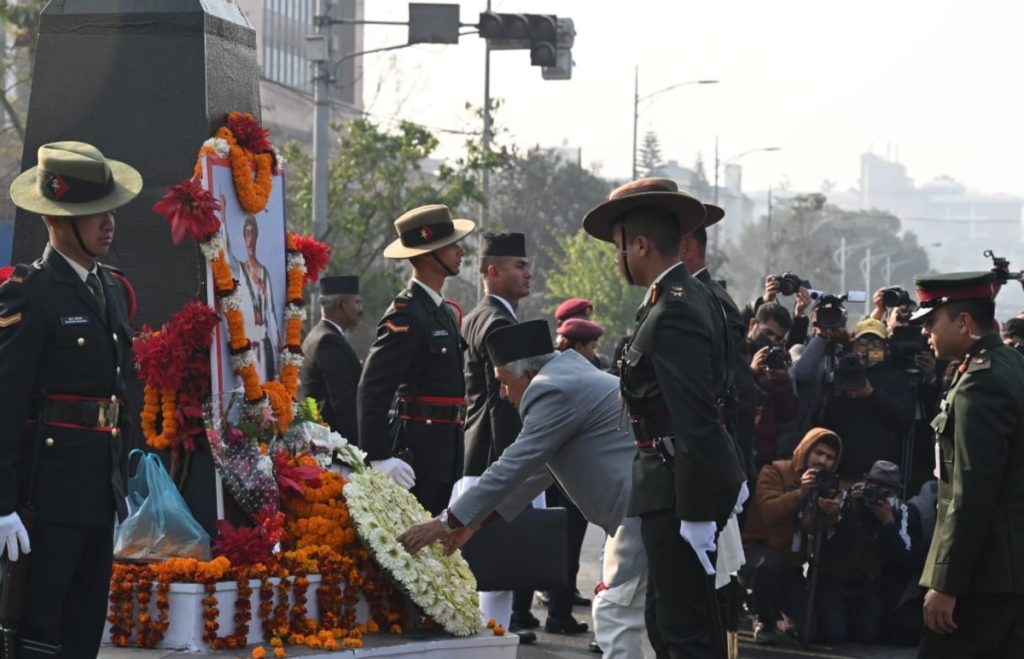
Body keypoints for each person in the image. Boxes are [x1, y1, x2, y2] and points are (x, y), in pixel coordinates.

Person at [398, 319, 648, 658]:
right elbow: (535, 472)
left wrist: (446, 521)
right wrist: (474, 523)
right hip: (641, 509)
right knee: (646, 617)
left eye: (503, 382)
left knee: (616, 612)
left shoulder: (551, 388)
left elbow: (514, 465)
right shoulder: (566, 376)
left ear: (528, 376)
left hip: (638, 513)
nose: (502, 393)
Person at [582, 177, 747, 658]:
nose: (617, 259)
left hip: (676, 490)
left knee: (684, 632)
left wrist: (695, 513)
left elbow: (694, 417)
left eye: (619, 247)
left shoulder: (673, 309)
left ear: (640, 244)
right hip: (673, 485)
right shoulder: (682, 297)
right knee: (670, 620)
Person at [0, 141, 141, 657]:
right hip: (48, 496)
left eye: (109, 211)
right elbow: (5, 402)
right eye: (94, 213)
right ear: (58, 220)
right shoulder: (30, 293)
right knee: (40, 634)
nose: (108, 223)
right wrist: (2, 504)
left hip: (97, 491)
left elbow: (119, 393)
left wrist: (122, 481)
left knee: (84, 630)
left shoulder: (110, 289)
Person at [913, 272, 1024, 658]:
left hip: (985, 576)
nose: (926, 332)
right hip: (1006, 573)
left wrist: (946, 583)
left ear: (963, 323)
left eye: (931, 321)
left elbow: (971, 493)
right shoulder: (1008, 363)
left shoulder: (981, 384)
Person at [356, 204, 475, 515]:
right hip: (416, 456)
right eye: (451, 245)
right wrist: (379, 455)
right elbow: (373, 388)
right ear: (427, 254)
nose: (460, 251)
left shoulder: (443, 311)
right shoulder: (407, 313)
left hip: (445, 451)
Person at [456, 232, 536, 642]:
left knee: (491, 578)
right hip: (498, 460)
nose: (528, 273)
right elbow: (510, 395)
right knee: (496, 580)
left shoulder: (477, 316)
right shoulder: (497, 321)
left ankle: (487, 646)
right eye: (519, 266)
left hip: (481, 457)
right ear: (493, 271)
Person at [741, 428, 842, 644]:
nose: (822, 461)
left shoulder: (826, 485)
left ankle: (776, 614)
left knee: (807, 631)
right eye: (819, 453)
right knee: (768, 565)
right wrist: (801, 493)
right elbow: (769, 512)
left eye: (829, 457)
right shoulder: (775, 471)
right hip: (760, 550)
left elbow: (808, 527)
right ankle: (763, 619)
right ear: (806, 450)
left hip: (791, 564)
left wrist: (828, 513)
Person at [681, 203, 758, 485]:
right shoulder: (688, 298)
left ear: (686, 249)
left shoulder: (708, 304)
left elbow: (737, 395)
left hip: (709, 477)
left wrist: (735, 468)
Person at [812, 460, 914, 644]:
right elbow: (829, 537)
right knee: (832, 635)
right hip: (833, 580)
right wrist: (851, 507)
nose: (878, 495)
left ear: (896, 493)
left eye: (886, 491)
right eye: (875, 487)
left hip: (866, 585)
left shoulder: (899, 510)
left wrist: (888, 522)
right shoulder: (847, 499)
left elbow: (904, 554)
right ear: (865, 483)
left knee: (868, 635)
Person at [822, 318, 916, 480]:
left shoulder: (897, 377)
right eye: (864, 341)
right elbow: (826, 420)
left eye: (877, 342)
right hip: (844, 467)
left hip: (882, 470)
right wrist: (836, 391)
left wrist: (872, 394)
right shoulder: (842, 371)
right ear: (853, 344)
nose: (870, 347)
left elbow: (904, 417)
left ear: (885, 348)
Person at [298, 275, 363, 442]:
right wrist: (359, 449)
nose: (359, 309)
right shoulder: (329, 341)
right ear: (341, 304)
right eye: (356, 302)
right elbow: (342, 403)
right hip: (335, 447)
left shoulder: (316, 335)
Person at [236, 214, 280, 381]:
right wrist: (224, 220)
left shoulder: (264, 272)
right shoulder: (240, 270)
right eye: (246, 233)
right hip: (247, 348)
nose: (249, 239)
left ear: (256, 236)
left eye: (252, 233)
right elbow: (224, 250)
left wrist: (277, 341)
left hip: (264, 345)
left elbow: (272, 311)